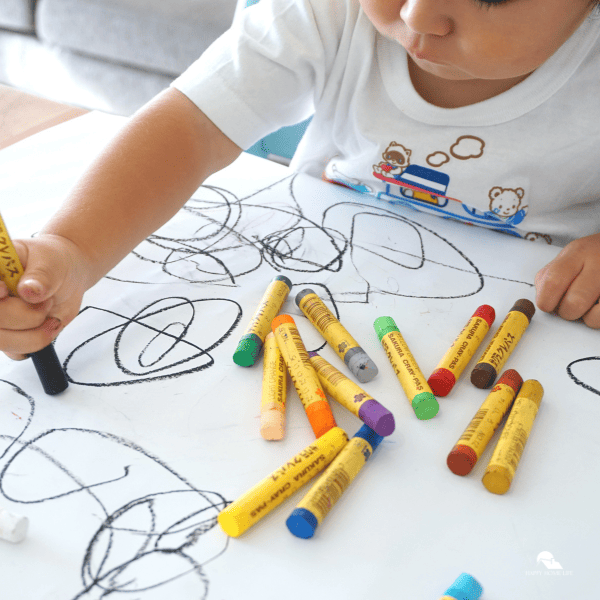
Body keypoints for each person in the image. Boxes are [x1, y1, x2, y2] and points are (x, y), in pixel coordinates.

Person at [1, 0, 599, 362]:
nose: (416, 17)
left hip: (525, 345)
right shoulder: (331, 13)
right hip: (314, 315)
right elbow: (191, 125)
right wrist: (73, 248)